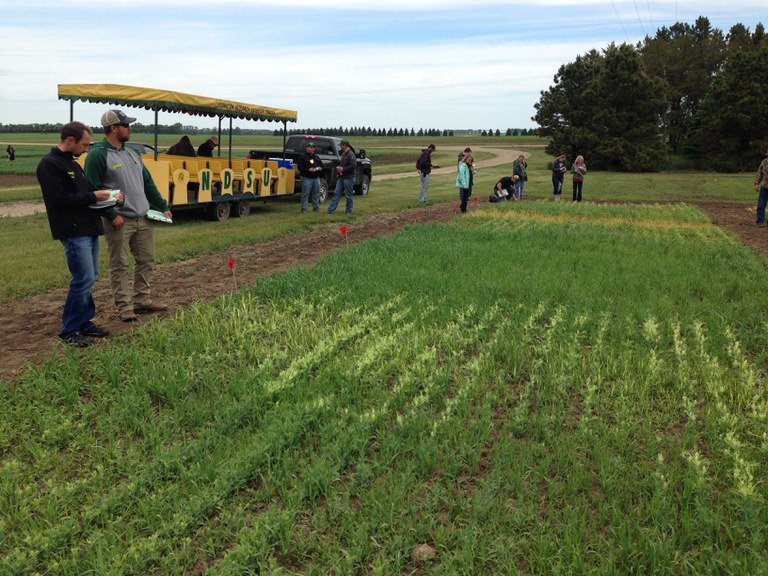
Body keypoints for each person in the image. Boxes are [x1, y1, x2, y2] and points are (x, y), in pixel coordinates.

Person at [37, 122, 123, 347]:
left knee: (91, 276)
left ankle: (84, 322)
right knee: (82, 279)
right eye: (84, 145)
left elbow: (84, 194)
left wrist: (110, 197)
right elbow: (59, 199)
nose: (86, 150)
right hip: (72, 230)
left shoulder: (73, 165)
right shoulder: (49, 165)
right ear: (70, 140)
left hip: (87, 227)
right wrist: (94, 197)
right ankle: (70, 330)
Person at [84, 109, 172, 322]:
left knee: (146, 260)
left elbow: (148, 183)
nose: (130, 128)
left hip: (143, 217)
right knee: (120, 264)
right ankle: (125, 307)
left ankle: (142, 300)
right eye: (126, 125)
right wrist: (112, 214)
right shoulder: (97, 155)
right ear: (113, 128)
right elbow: (92, 190)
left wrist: (162, 206)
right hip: (118, 221)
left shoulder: (132, 153)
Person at [327, 139, 356, 214]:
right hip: (341, 177)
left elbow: (353, 166)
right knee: (336, 193)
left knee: (348, 195)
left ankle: (349, 211)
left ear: (345, 146)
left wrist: (343, 169)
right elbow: (342, 164)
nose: (341, 147)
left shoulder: (351, 154)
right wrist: (339, 168)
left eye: (341, 145)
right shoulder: (344, 153)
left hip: (349, 178)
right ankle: (331, 210)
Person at [297, 140, 324, 212]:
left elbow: (321, 165)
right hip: (306, 178)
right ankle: (304, 208)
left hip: (316, 178)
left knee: (316, 193)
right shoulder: (302, 157)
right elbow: (300, 168)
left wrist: (320, 168)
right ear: (307, 148)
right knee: (305, 194)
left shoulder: (316, 157)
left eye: (313, 148)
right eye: (310, 147)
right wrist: (308, 170)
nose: (312, 149)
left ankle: (316, 208)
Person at [755, 149, 768, 225]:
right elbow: (759, 173)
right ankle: (760, 221)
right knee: (761, 204)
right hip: (764, 186)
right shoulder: (764, 162)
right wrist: (756, 183)